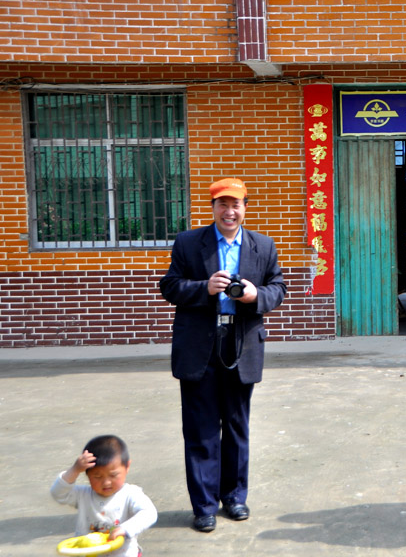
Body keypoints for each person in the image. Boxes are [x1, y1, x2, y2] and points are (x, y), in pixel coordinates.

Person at [160, 177, 287, 533]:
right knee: (200, 429)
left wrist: (253, 296)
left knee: (235, 426)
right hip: (199, 342)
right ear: (213, 207)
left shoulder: (263, 245)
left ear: (245, 208)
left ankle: (234, 497)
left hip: (240, 341)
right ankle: (203, 506)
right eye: (222, 204)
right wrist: (204, 288)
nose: (230, 211)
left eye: (236, 205)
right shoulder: (188, 242)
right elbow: (169, 285)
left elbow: (278, 288)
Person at [50, 435, 157, 557]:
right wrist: (74, 470)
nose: (106, 482)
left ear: (127, 467)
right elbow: (58, 493)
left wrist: (125, 529)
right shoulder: (83, 495)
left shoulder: (131, 494)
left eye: (113, 475)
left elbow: (149, 513)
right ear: (87, 474)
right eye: (97, 477)